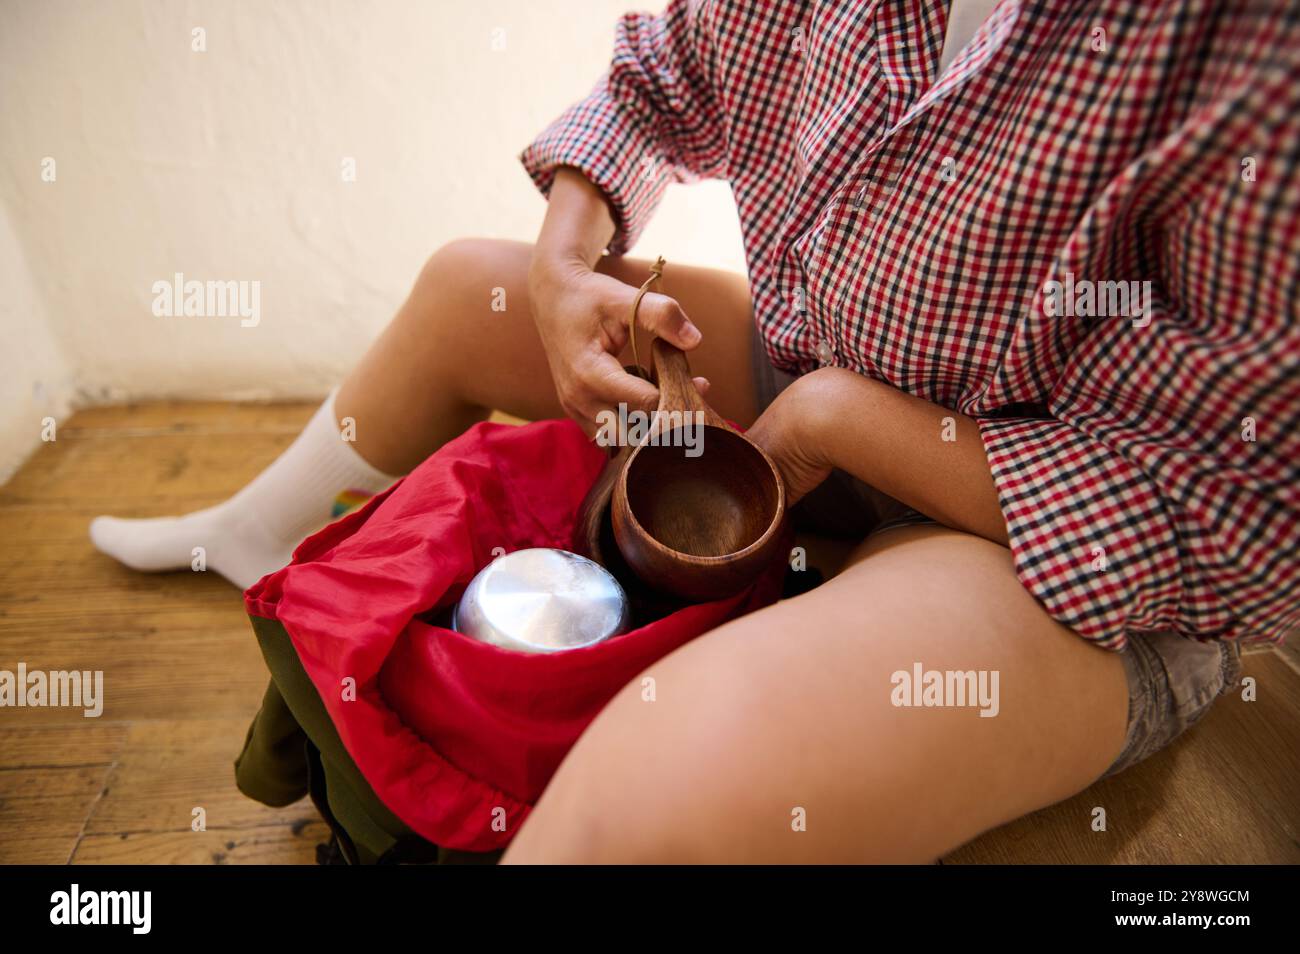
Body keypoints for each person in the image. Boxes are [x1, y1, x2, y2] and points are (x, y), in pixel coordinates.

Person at [91, 0, 1298, 863]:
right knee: (481, 284)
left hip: (1051, 540)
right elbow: (659, 79)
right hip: (814, 364)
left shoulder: (1247, 49)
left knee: (664, 782)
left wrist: (839, 420)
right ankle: (259, 533)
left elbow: (1239, 512)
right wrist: (568, 264)